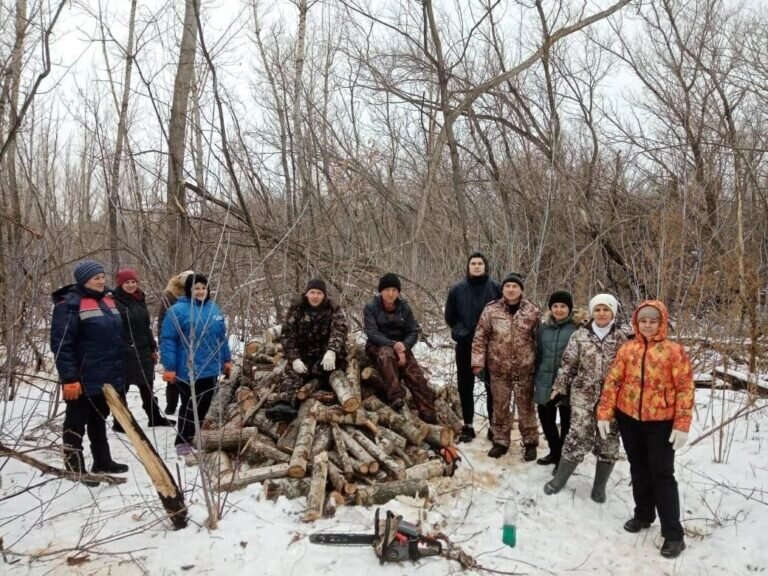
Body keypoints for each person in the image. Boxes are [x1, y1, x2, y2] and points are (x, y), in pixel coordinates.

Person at [597, 300, 694, 559]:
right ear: (636, 323)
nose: (648, 325)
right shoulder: (628, 349)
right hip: (630, 418)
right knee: (638, 468)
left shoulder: (674, 351)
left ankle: (673, 534)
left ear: (662, 322)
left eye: (653, 321)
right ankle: (643, 514)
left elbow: (685, 387)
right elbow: (613, 381)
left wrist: (682, 424)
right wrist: (605, 412)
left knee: (662, 474)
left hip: (661, 422)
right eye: (644, 321)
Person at [542, 294, 630, 499]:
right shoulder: (580, 335)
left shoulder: (623, 338)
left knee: (608, 441)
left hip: (612, 400)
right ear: (592, 312)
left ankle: (599, 486)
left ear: (613, 313)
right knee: (576, 437)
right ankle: (559, 479)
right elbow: (568, 365)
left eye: (606, 309)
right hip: (582, 397)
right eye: (597, 309)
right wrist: (559, 386)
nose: (601, 313)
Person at [50, 260, 129, 484]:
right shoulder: (69, 304)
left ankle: (102, 460)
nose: (101, 281)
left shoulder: (108, 300)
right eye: (96, 278)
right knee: (76, 422)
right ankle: (75, 467)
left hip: (106, 375)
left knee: (99, 418)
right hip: (82, 377)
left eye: (103, 276)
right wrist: (70, 379)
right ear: (84, 280)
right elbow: (61, 344)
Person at [160, 273, 232, 456]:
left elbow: (221, 338)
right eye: (196, 288)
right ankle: (183, 439)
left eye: (204, 288)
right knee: (190, 404)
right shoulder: (177, 311)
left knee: (205, 404)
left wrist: (226, 360)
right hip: (187, 368)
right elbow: (168, 340)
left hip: (210, 366)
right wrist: (169, 368)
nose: (201, 291)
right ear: (188, 290)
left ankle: (197, 436)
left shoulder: (214, 309)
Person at [472, 272, 541, 459]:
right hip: (499, 369)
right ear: (502, 289)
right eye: (507, 286)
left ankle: (530, 442)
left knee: (526, 407)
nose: (511, 290)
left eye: (515, 286)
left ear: (521, 290)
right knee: (500, 407)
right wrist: (477, 362)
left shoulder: (532, 311)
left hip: (525, 370)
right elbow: (480, 337)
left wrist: (539, 366)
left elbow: (539, 340)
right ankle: (501, 441)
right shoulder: (491, 310)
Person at [266, 279, 348, 421]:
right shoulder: (297, 309)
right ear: (307, 293)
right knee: (291, 373)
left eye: (319, 293)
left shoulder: (333, 309)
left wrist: (332, 351)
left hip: (325, 355)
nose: (315, 296)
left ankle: (321, 391)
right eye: (312, 292)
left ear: (324, 295)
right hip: (303, 355)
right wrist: (295, 358)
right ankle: (284, 404)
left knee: (330, 371)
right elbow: (287, 335)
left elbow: (340, 329)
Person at [363, 273, 436, 423]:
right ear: (381, 291)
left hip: (401, 347)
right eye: (387, 290)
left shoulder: (404, 307)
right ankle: (396, 397)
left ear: (398, 292)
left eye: (394, 290)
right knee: (386, 354)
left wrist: (405, 345)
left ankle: (428, 415)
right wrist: (395, 346)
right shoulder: (371, 307)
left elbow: (413, 330)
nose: (390, 294)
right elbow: (372, 333)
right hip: (378, 346)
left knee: (416, 376)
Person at [444, 252, 501, 443]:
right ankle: (468, 425)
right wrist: (462, 331)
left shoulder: (496, 288)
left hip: (491, 345)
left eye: (480, 263)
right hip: (465, 344)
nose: (476, 266)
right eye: (473, 263)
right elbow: (450, 316)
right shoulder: (457, 290)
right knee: (465, 385)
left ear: (485, 267)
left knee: (492, 386)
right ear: (468, 267)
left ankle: (494, 426)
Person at [113, 268, 174, 430]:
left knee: (147, 386)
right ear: (120, 284)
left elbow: (145, 327)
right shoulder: (114, 301)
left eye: (134, 281)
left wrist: (152, 348)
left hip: (143, 351)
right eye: (127, 282)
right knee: (121, 389)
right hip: (124, 352)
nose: (131, 285)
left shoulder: (139, 298)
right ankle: (120, 422)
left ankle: (154, 417)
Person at [533, 290, 582, 468]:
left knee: (567, 421)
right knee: (546, 419)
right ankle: (554, 452)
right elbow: (537, 354)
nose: (559, 310)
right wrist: (535, 377)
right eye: (555, 306)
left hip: (568, 383)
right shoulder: (543, 328)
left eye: (563, 306)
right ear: (550, 308)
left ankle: (563, 456)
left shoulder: (577, 328)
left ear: (569, 308)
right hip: (545, 380)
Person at [156, 270, 194, 415]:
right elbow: (161, 319)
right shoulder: (169, 295)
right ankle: (171, 405)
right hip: (172, 339)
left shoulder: (194, 294)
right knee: (172, 376)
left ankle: (188, 403)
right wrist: (162, 341)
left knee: (188, 374)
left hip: (189, 340)